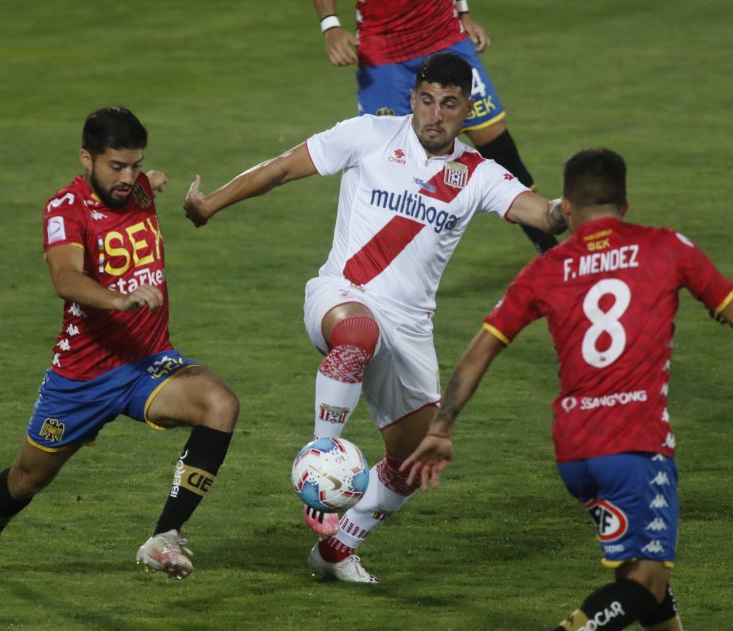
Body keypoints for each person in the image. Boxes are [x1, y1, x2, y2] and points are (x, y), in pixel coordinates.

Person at [183, 52, 565, 583]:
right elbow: (282, 167)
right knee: (357, 334)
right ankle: (323, 464)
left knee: (414, 460)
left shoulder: (477, 174)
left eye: (449, 105)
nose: (434, 115)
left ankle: (337, 551)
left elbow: (540, 213)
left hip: (409, 327)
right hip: (341, 294)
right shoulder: (369, 134)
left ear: (466, 110)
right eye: (426, 100)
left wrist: (571, 209)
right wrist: (211, 204)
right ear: (413, 97)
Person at [402, 148, 733, 631]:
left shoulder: (545, 270)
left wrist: (441, 426)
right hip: (637, 446)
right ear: (624, 204)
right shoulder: (666, 247)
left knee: (646, 582)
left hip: (576, 453)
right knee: (644, 585)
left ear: (567, 206)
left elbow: (481, 349)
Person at [0, 107, 239, 581]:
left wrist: (151, 180)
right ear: (87, 158)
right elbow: (66, 278)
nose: (129, 176)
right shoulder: (65, 209)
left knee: (220, 404)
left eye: (136, 164)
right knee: (26, 479)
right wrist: (119, 300)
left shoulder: (137, 189)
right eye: (116, 166)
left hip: (148, 362)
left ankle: (164, 538)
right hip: (83, 376)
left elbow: (141, 184)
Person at [311, 0, 559, 255]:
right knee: (387, 170)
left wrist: (463, 13)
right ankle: (367, 273)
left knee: (504, 155)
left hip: (446, 37)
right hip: (384, 53)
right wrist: (330, 25)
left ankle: (554, 256)